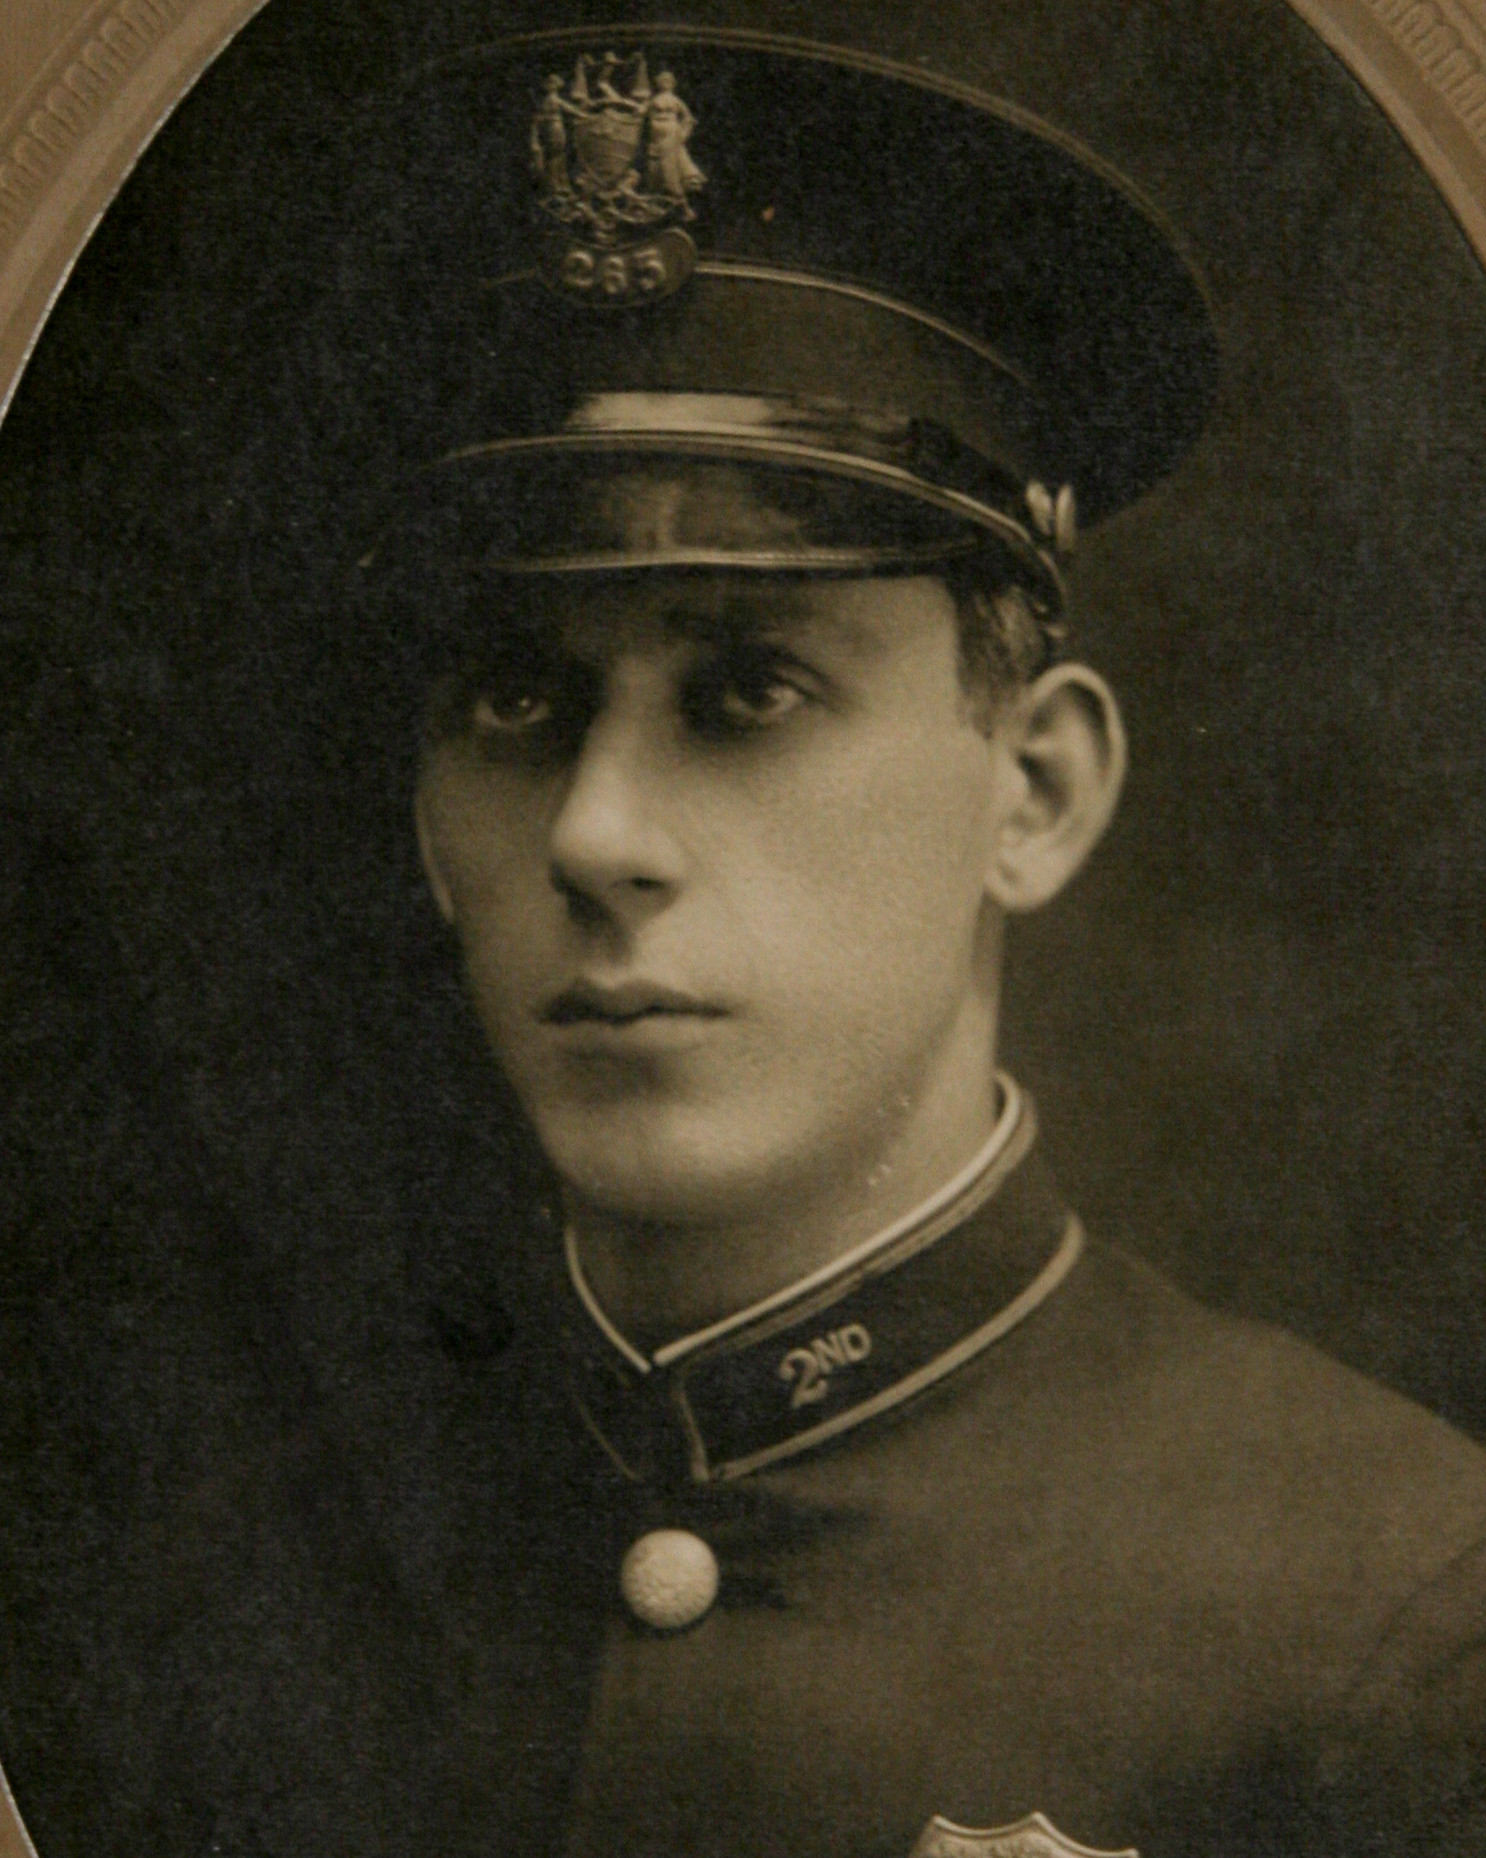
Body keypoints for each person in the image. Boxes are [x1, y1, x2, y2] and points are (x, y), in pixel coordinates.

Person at [3, 20, 1486, 1858]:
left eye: (749, 689)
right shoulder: (191, 1570)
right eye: (516, 700)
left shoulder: (1392, 1622)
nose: (595, 832)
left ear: (1033, 790)